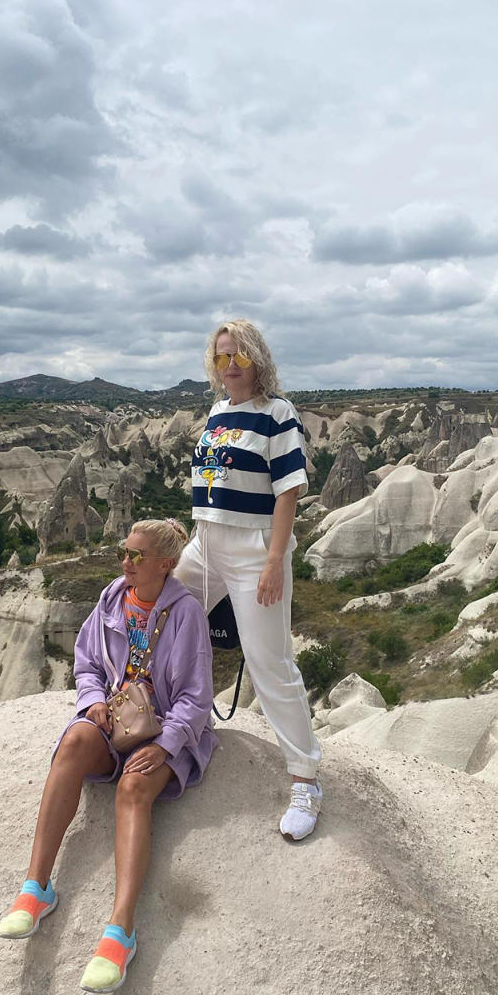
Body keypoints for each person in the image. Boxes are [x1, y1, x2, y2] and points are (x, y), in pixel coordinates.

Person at [0, 517, 216, 994]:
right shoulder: (112, 598)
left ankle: (120, 930)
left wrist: (165, 746)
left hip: (167, 728)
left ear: (166, 564)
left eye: (137, 556)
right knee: (73, 742)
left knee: (134, 787)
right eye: (124, 552)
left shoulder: (186, 613)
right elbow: (87, 663)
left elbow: (196, 698)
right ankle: (36, 889)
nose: (126, 562)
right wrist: (92, 701)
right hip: (119, 720)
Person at [174, 318, 323, 840]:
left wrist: (273, 561)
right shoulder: (217, 413)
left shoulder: (278, 415)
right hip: (205, 543)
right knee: (163, 617)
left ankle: (305, 780)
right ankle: (178, 726)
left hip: (253, 546)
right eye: (220, 357)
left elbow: (288, 492)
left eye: (237, 355)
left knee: (270, 663)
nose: (229, 365)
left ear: (257, 357)